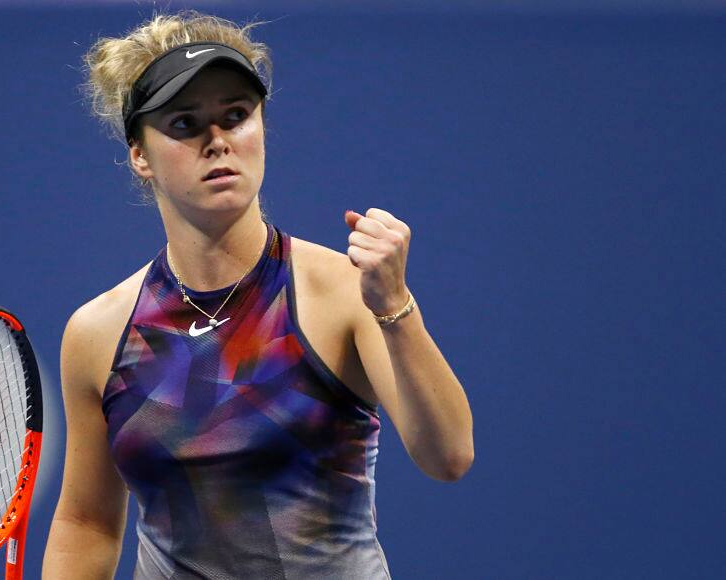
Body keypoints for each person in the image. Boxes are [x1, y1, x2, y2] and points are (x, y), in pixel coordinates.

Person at [42, 11, 474, 580]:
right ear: (140, 155)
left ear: (262, 128)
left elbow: (448, 456)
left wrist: (394, 306)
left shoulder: (343, 290)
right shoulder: (98, 333)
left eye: (236, 116)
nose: (217, 140)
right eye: (184, 123)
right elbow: (87, 524)